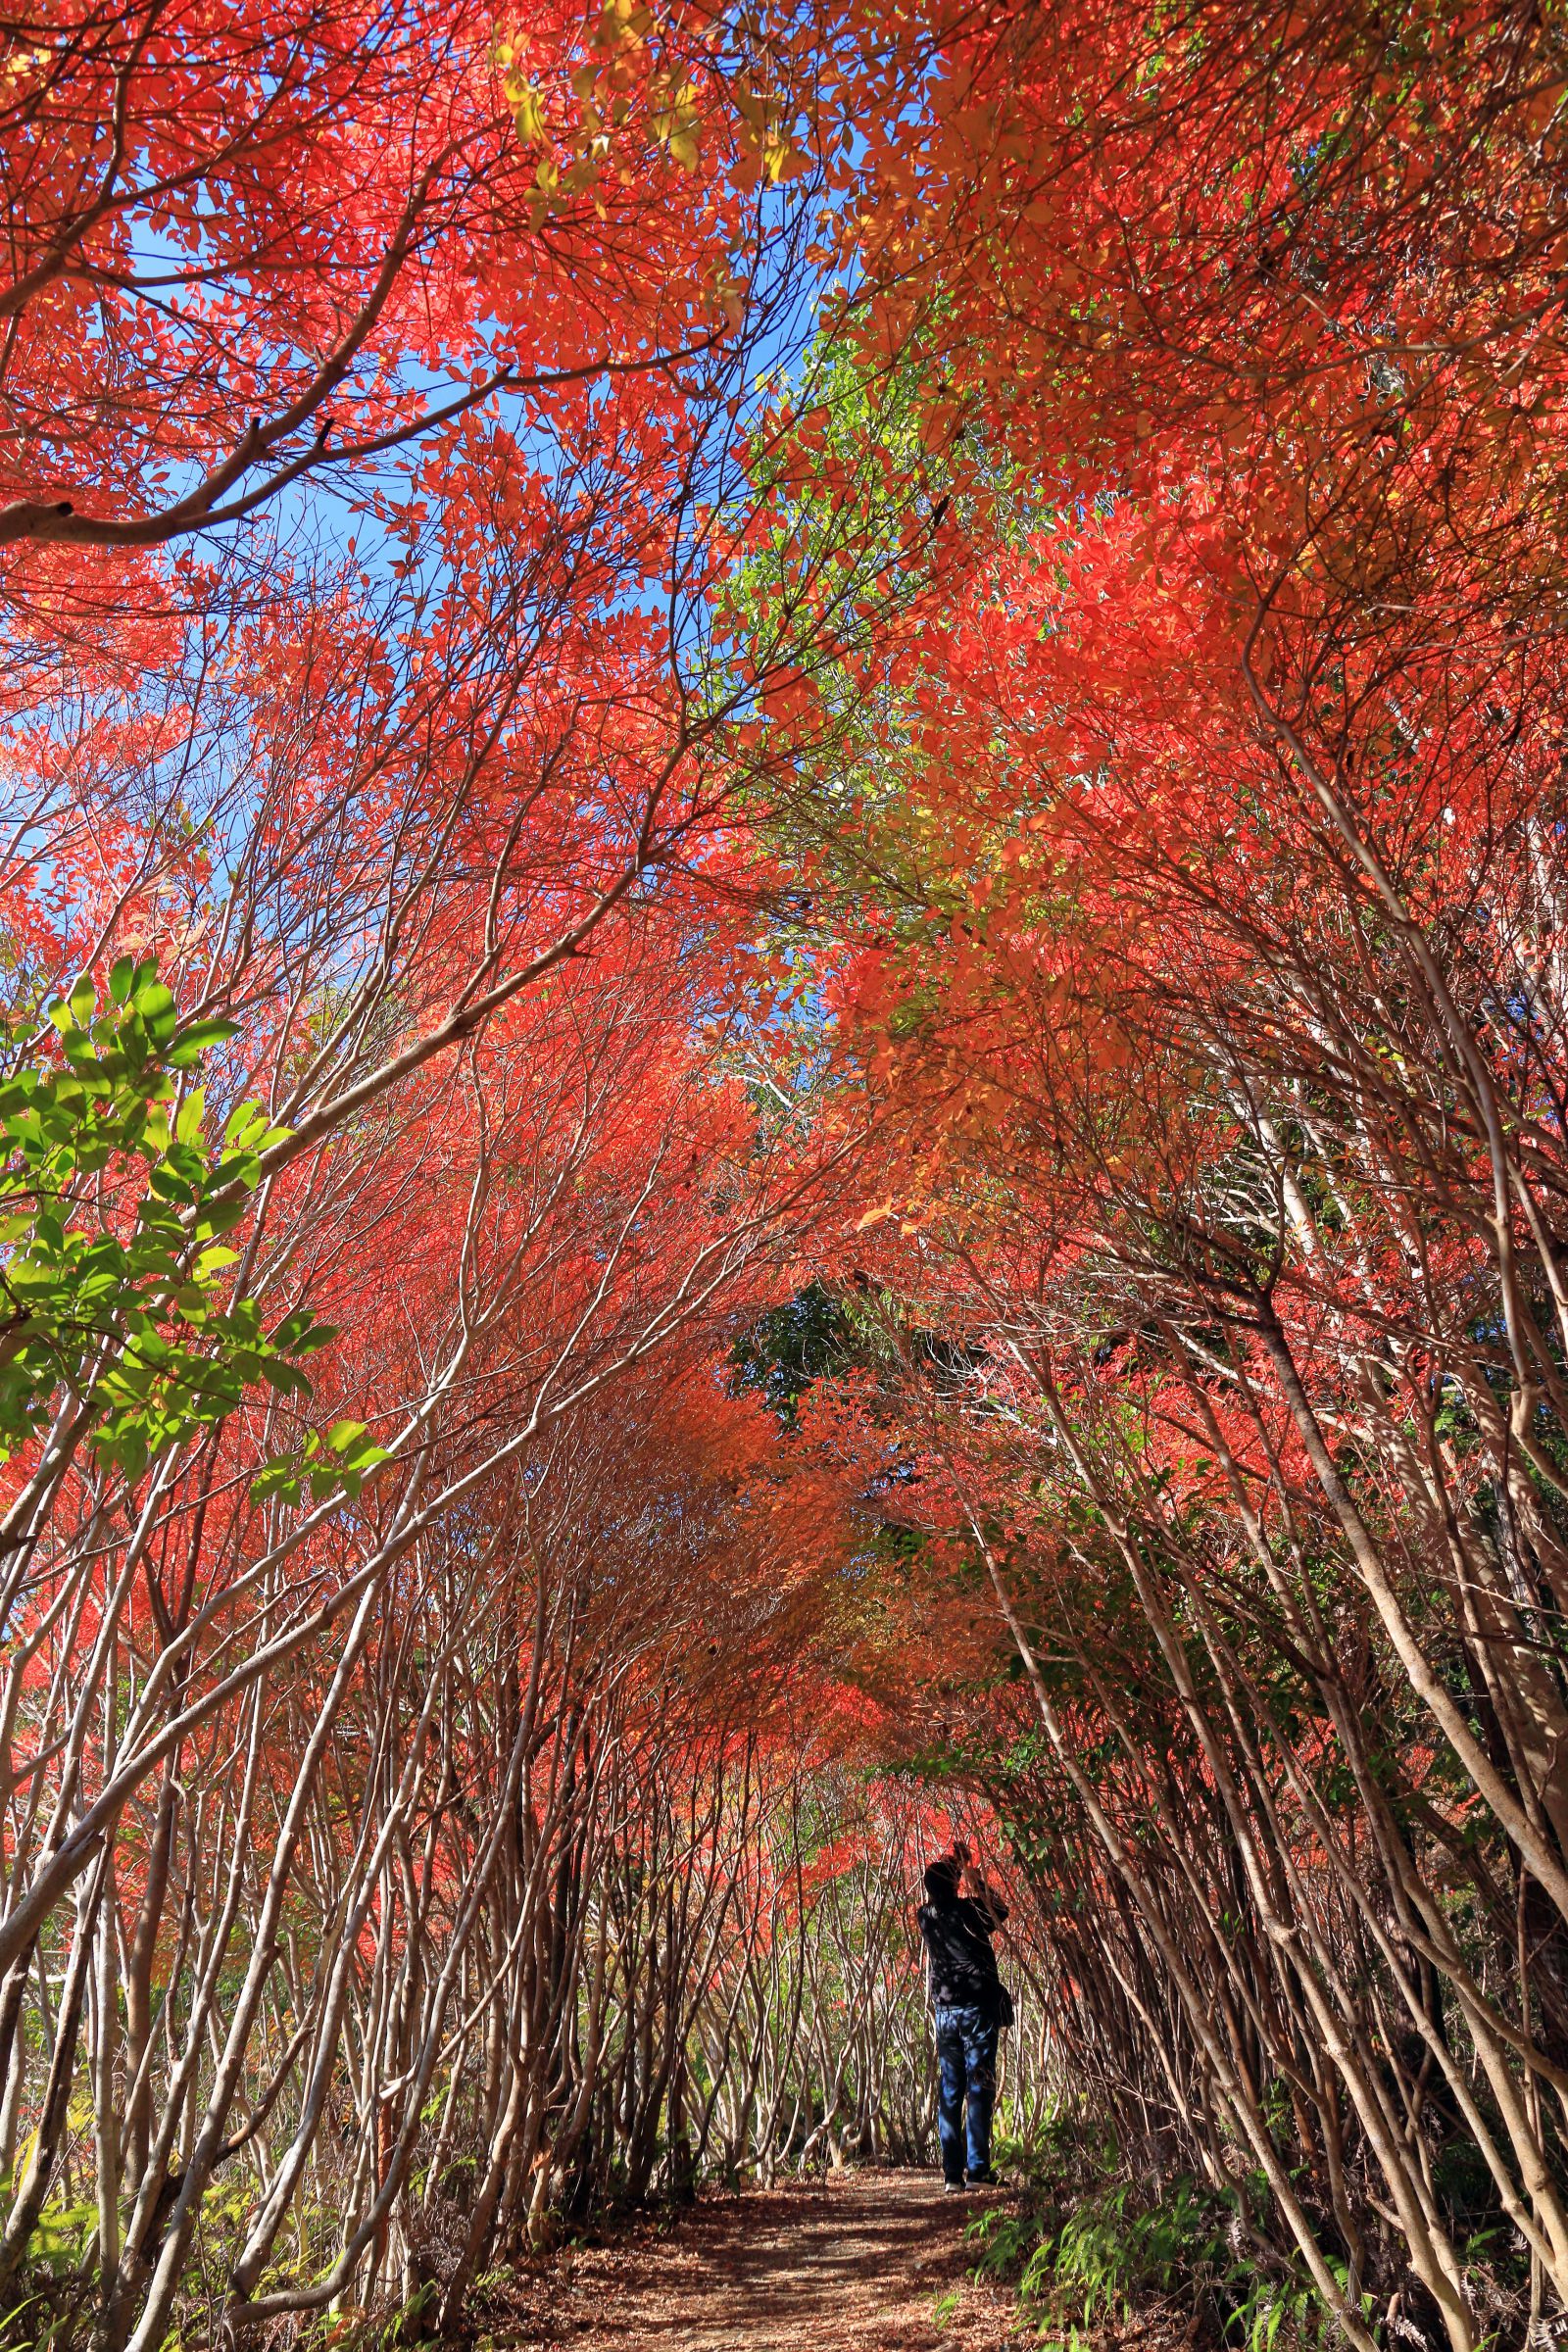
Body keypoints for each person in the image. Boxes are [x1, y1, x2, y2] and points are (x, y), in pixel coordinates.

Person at [916, 1839, 1010, 2191]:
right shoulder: (971, 1912)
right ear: (955, 1885)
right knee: (979, 2086)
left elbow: (942, 1885)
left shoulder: (926, 1918)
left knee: (951, 2091)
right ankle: (979, 2170)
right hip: (976, 2011)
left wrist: (955, 1865)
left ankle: (952, 2175)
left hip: (945, 2015)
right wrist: (972, 1873)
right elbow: (999, 1910)